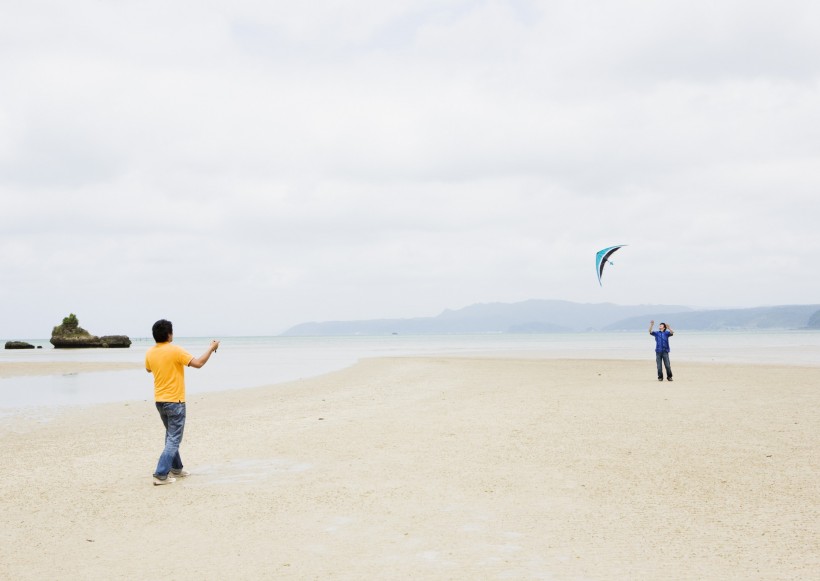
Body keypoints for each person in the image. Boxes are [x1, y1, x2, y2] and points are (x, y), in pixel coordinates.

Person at [145, 319, 219, 486]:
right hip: (175, 401)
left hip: (159, 401)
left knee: (171, 435)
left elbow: (148, 369)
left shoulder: (150, 352)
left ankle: (176, 468)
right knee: (174, 438)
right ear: (169, 334)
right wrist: (211, 348)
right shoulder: (175, 350)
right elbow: (198, 363)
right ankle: (161, 473)